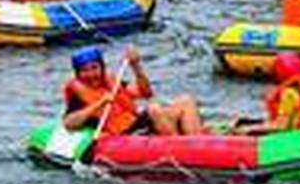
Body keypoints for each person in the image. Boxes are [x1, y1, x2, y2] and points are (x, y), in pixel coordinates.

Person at [63, 46, 207, 135]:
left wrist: (136, 67)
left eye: (94, 68)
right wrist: (100, 103)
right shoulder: (78, 94)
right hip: (126, 133)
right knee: (154, 109)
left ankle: (199, 144)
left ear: (102, 68)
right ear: (78, 74)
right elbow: (69, 123)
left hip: (137, 122)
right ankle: (181, 149)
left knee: (186, 101)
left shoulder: (112, 82)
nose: (91, 74)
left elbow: (146, 93)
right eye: (84, 71)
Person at [233, 53, 300, 134]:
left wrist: (249, 129)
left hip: (295, 137)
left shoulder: (289, 93)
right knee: (243, 123)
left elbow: (281, 126)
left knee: (242, 129)